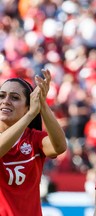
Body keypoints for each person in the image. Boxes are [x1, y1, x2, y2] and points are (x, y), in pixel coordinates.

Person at [0, 69, 67, 216]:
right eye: (2, 96)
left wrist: (42, 104)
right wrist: (31, 114)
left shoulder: (34, 139)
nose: (5, 101)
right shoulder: (29, 115)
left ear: (27, 107)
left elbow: (60, 147)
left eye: (15, 97)